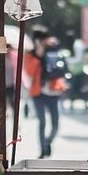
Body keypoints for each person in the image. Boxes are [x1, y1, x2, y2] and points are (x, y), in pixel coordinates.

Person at [25, 28, 66, 159]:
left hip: (54, 92)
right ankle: (42, 149)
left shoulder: (54, 50)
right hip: (39, 94)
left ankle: (48, 142)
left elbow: (62, 67)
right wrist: (38, 55)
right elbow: (30, 72)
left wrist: (52, 49)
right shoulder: (31, 55)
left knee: (55, 124)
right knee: (42, 122)